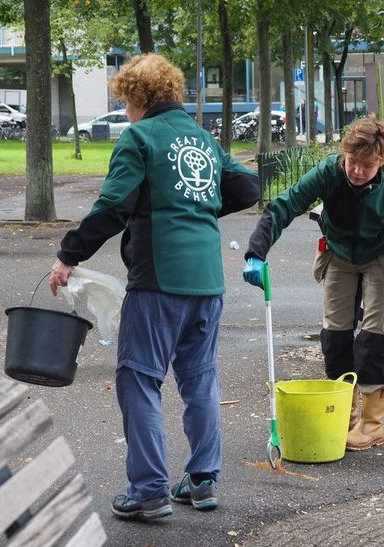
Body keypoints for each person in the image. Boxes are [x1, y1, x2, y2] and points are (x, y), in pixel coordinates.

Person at [49, 53, 260, 520]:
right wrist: (195, 208)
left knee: (139, 378)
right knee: (199, 377)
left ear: (137, 98)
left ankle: (148, 490)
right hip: (208, 280)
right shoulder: (203, 140)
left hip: (159, 279)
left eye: (125, 100)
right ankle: (203, 481)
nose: (124, 110)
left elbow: (112, 208)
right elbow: (248, 187)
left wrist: (68, 256)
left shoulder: (140, 138)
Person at [241, 115, 384, 451]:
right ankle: (344, 415)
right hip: (340, 253)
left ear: (381, 163)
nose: (356, 171)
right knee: (335, 335)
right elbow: (285, 205)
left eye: (366, 166)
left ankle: (371, 426)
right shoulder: (330, 172)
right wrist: (256, 252)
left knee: (375, 337)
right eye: (352, 162)